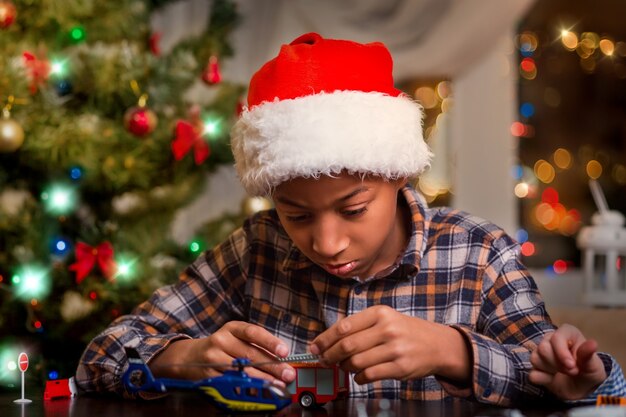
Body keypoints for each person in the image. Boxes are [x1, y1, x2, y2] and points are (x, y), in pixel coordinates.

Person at [76, 32, 625, 406]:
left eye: (353, 209)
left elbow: (592, 386)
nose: (328, 242)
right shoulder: (256, 249)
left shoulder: (478, 253)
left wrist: (452, 351)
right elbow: (100, 355)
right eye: (296, 215)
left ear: (398, 176)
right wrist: (184, 358)